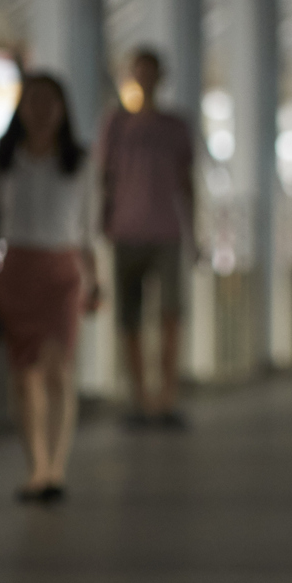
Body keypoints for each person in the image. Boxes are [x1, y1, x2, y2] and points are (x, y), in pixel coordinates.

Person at [0, 72, 104, 503]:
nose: (41, 109)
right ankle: (36, 468)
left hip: (62, 272)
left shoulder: (79, 163)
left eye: (50, 101)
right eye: (33, 101)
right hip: (17, 270)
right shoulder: (5, 162)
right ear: (21, 108)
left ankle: (57, 466)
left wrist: (95, 280)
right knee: (24, 374)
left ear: (63, 109)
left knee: (58, 368)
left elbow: (88, 233)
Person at [96, 47, 196, 428]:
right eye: (139, 71)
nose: (145, 78)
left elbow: (187, 184)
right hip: (126, 231)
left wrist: (194, 232)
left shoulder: (175, 126)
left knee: (171, 315)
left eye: (150, 71)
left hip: (167, 231)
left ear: (160, 76)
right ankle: (140, 396)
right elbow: (104, 178)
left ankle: (166, 397)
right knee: (130, 318)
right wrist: (102, 224)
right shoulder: (116, 124)